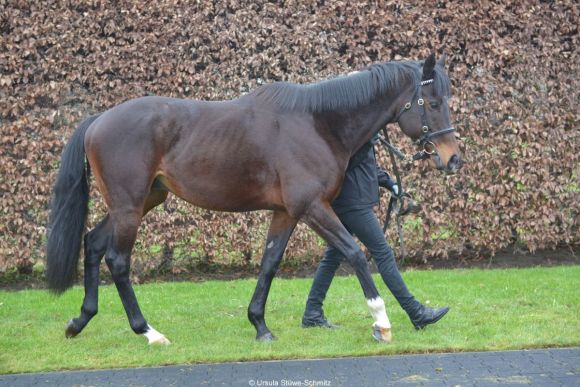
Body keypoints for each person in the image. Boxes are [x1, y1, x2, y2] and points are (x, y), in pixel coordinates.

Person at [302, 136, 449, 331]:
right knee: (383, 254)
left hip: (351, 201)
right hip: (354, 204)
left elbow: (367, 169)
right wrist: (368, 140)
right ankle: (416, 312)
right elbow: (347, 162)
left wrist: (391, 184)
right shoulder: (351, 133)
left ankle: (312, 313)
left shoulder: (361, 132)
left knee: (332, 257)